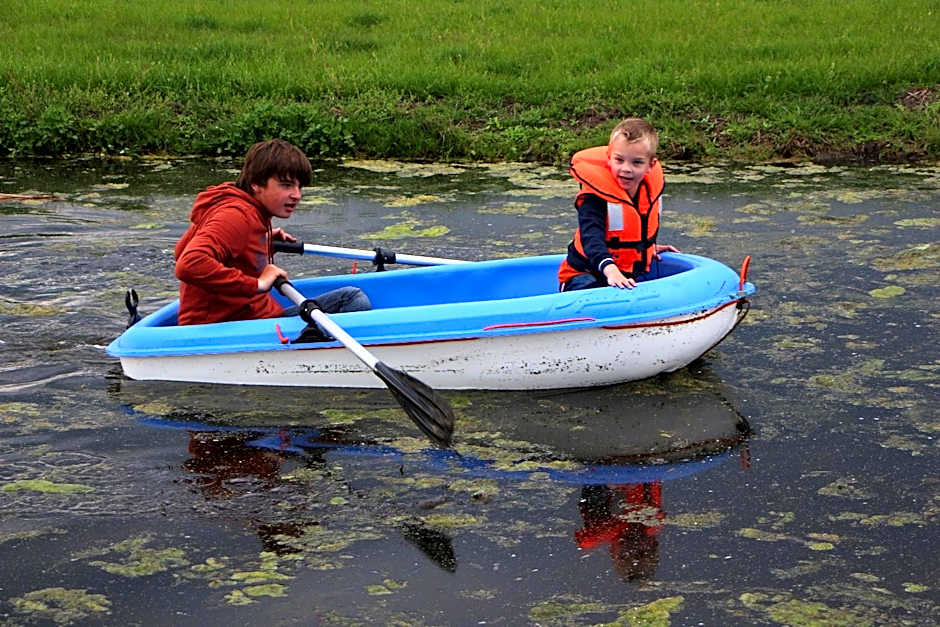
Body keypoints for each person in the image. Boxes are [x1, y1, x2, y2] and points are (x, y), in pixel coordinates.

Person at [174, 139, 370, 326]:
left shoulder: (242, 207)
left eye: (299, 186)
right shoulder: (236, 216)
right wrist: (257, 284)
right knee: (352, 299)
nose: (297, 195)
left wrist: (257, 244)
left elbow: (181, 250)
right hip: (230, 329)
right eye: (286, 185)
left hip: (254, 316)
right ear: (256, 184)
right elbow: (189, 264)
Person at [558, 118, 679, 291]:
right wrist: (611, 270)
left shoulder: (649, 192)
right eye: (619, 160)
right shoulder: (595, 197)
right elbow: (591, 238)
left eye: (636, 162)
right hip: (584, 274)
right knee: (588, 288)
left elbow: (640, 226)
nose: (626, 169)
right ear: (609, 159)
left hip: (624, 274)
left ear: (650, 165)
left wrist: (645, 248)